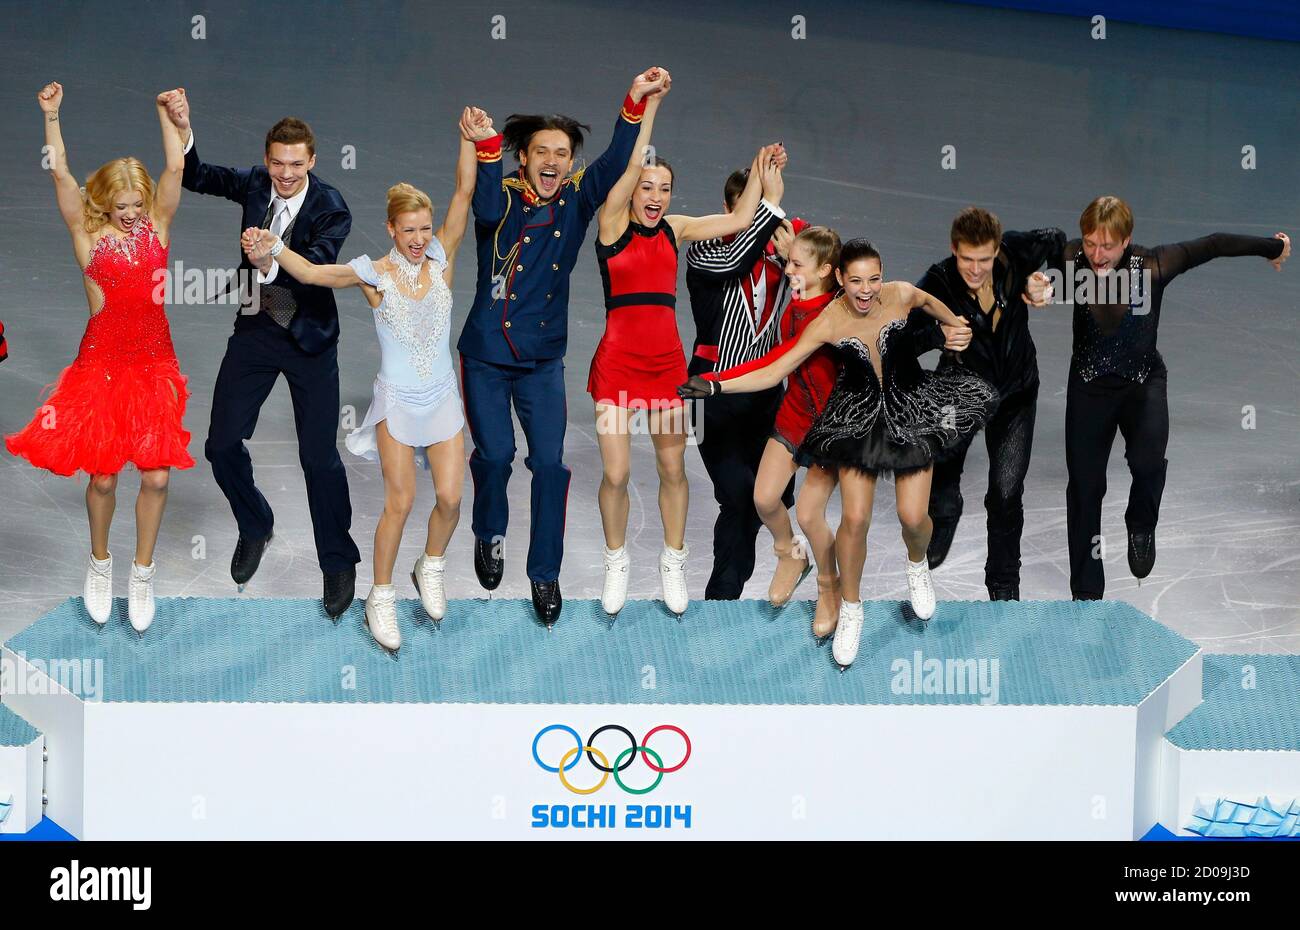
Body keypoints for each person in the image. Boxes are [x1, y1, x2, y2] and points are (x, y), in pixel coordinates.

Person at [681, 239, 988, 668]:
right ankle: (851, 608)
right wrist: (716, 385)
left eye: (874, 279)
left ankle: (916, 565)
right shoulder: (827, 322)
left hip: (912, 411)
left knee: (913, 517)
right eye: (857, 280)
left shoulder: (898, 294)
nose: (867, 289)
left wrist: (955, 321)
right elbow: (776, 368)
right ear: (840, 280)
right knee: (855, 518)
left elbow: (925, 299)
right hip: (859, 423)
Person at [242, 122, 476, 653]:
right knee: (401, 500)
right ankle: (382, 594)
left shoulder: (443, 260)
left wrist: (467, 139)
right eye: (409, 230)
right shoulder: (373, 274)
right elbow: (312, 275)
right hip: (397, 402)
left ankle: (430, 565)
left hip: (441, 398)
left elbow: (464, 192)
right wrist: (274, 245)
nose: (419, 239)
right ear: (392, 229)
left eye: (425, 229)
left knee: (451, 499)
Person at [457, 67, 667, 626]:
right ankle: (490, 534)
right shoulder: (498, 196)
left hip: (544, 360)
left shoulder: (576, 200)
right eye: (541, 151)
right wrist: (484, 150)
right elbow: (478, 210)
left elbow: (619, 163)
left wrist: (635, 101)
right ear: (521, 157)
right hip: (485, 355)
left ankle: (544, 573)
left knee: (550, 464)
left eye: (563, 153)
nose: (553, 161)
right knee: (496, 456)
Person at [588, 73, 782, 617]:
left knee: (673, 471)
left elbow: (742, 218)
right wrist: (647, 108)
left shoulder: (676, 230)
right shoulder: (609, 225)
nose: (655, 196)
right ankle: (616, 561)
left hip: (668, 372)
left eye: (664, 188)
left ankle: (673, 560)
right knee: (618, 473)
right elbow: (627, 168)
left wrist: (762, 171)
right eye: (648, 188)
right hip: (616, 370)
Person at [162, 91, 360, 619]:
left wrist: (268, 258)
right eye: (277, 163)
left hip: (310, 339)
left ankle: (338, 562)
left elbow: (315, 266)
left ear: (312, 161)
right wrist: (184, 126)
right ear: (267, 159)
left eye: (297, 164)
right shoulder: (255, 183)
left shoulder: (331, 207)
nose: (286, 174)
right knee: (221, 445)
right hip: (256, 329)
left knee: (319, 459)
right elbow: (197, 174)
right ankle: (255, 522)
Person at [6, 83, 193, 633]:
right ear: (106, 202)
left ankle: (142, 571)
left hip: (154, 361)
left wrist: (165, 113)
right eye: (123, 204)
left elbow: (176, 170)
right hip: (103, 365)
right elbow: (61, 174)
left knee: (156, 478)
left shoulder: (159, 226)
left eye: (139, 203)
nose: (134, 213)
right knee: (106, 478)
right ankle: (100, 561)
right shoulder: (87, 235)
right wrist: (52, 115)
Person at [1052, 196, 1290, 599]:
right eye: (1090, 243)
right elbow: (1024, 253)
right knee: (1084, 489)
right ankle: (1086, 598)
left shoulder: (1153, 266)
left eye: (1107, 246)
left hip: (1142, 382)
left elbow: (1212, 244)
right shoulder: (1071, 258)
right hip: (1090, 386)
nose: (1097, 254)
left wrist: (1273, 247)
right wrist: (1030, 284)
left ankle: (1141, 523)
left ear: (1127, 240)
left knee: (1147, 462)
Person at [912, 207, 1065, 601]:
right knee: (943, 469)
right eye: (967, 259)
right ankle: (945, 511)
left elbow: (1058, 239)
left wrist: (1045, 284)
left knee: (1006, 494)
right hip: (960, 391)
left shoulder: (1016, 253)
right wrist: (937, 335)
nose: (976, 269)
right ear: (953, 249)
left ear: (997, 249)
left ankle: (1003, 585)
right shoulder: (938, 282)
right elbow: (899, 339)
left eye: (984, 259)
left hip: (1016, 393)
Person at [700, 226, 844, 636]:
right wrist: (718, 380)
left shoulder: (837, 309)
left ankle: (829, 587)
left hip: (830, 425)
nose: (788, 269)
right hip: (794, 413)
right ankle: (789, 554)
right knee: (764, 499)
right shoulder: (795, 301)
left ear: (827, 270)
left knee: (810, 513)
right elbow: (775, 361)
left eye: (797, 265)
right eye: (788, 262)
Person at [684, 153, 801, 600]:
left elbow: (832, 281)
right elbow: (736, 259)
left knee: (761, 500)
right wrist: (770, 204)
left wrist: (797, 260)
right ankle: (723, 592)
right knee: (737, 495)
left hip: (767, 394)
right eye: (743, 211)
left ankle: (729, 589)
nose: (750, 221)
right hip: (706, 392)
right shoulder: (706, 251)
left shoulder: (784, 257)